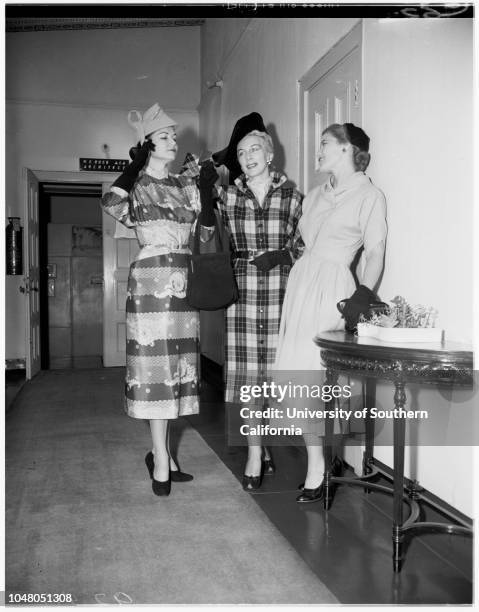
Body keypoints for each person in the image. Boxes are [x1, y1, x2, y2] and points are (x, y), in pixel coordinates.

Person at [273, 122, 387, 503]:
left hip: (334, 289)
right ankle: (318, 463)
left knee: (320, 378)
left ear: (347, 149)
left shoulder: (369, 195)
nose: (317, 150)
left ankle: (323, 465)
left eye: (324, 144)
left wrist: (364, 293)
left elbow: (374, 252)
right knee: (294, 373)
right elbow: (304, 242)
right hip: (302, 284)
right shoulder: (315, 195)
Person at [101, 103, 210, 497]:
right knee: (155, 369)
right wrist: (135, 165)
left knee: (178, 368)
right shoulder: (138, 184)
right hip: (149, 279)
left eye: (173, 136)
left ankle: (163, 452)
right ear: (146, 144)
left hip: (184, 281)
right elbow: (111, 203)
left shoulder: (185, 186)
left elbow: (207, 222)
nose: (173, 141)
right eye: (164, 136)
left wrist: (209, 182)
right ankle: (161, 459)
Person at [199, 114, 304, 490]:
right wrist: (207, 181)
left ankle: (266, 442)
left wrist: (282, 256)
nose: (247, 157)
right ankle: (255, 453)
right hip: (241, 296)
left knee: (275, 378)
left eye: (254, 149)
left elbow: (306, 246)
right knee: (246, 381)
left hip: (280, 295)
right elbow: (206, 221)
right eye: (241, 153)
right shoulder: (228, 197)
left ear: (270, 154)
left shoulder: (294, 198)